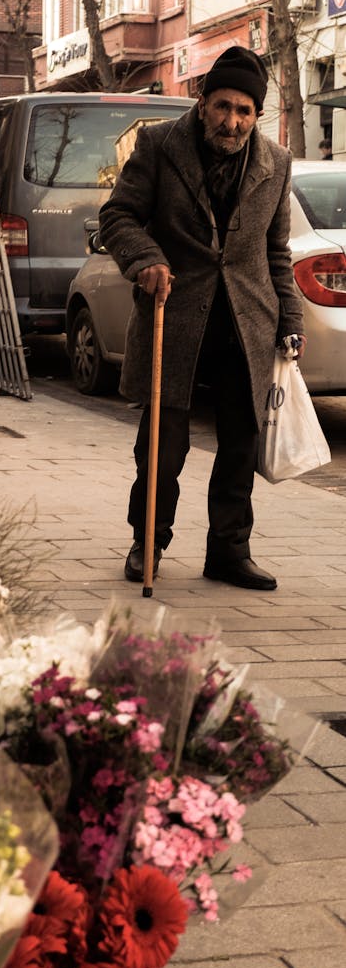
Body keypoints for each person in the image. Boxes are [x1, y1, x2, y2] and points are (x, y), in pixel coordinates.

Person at [99, 45, 305, 592]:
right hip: (177, 312)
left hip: (246, 322)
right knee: (163, 447)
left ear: (257, 115)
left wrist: (292, 321)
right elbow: (118, 215)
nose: (231, 121)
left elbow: (276, 253)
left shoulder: (275, 163)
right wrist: (145, 258)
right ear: (202, 100)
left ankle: (229, 552)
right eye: (222, 106)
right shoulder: (159, 144)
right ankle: (148, 543)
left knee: (241, 443)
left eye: (244, 111)